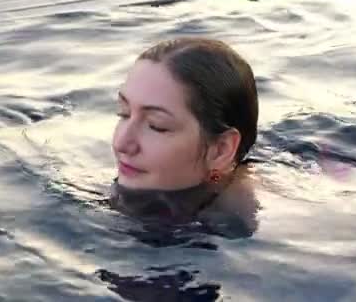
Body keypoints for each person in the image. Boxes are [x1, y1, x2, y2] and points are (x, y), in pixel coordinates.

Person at [109, 37, 260, 237]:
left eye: (157, 126)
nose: (121, 144)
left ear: (220, 150)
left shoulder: (237, 225)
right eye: (124, 113)